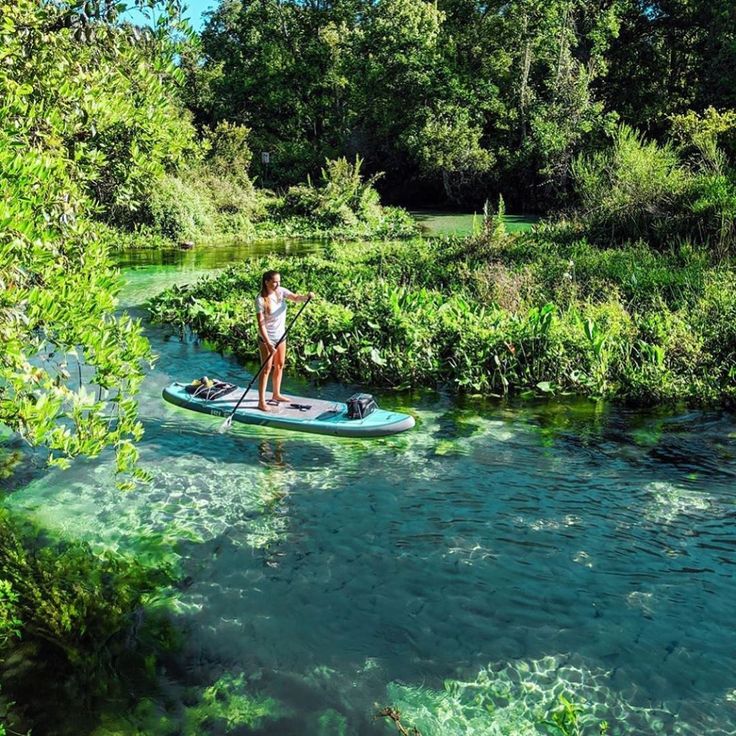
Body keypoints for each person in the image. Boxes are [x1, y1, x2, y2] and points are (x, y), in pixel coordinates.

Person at [255, 270, 314, 411]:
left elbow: (295, 297)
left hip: (281, 336)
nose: (278, 284)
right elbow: (261, 324)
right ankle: (261, 402)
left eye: (279, 281)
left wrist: (306, 297)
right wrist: (268, 343)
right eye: (275, 281)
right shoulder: (260, 299)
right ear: (267, 282)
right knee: (266, 369)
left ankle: (276, 394)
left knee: (280, 365)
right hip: (267, 338)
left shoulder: (281, 291)